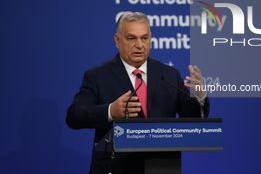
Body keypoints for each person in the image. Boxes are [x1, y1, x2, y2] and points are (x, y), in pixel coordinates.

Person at [66, 11, 209, 174]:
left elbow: (193, 118)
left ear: (151, 38)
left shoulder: (169, 74)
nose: (139, 45)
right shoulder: (98, 76)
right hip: (115, 168)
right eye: (131, 38)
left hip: (161, 168)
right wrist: (110, 111)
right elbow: (74, 116)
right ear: (117, 40)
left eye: (144, 38)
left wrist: (199, 96)